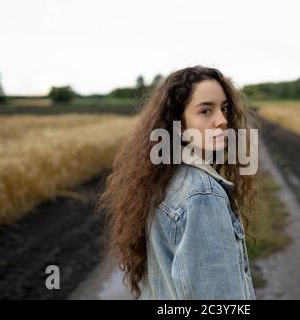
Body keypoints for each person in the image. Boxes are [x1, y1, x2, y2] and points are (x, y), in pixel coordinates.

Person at [98, 65, 257, 299]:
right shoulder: (203, 195)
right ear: (179, 125)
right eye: (205, 111)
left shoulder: (163, 179)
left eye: (224, 109)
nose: (222, 120)